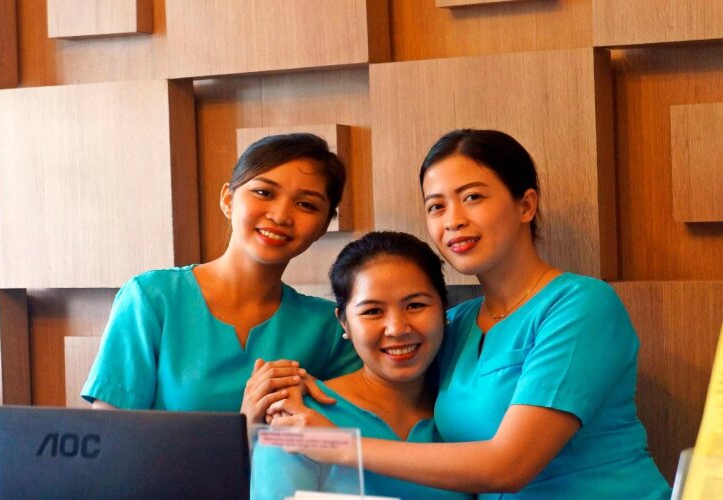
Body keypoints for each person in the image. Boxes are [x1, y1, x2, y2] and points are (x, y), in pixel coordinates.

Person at [270, 130, 672, 498]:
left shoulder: (580, 304)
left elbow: (509, 466)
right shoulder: (456, 323)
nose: (454, 220)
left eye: (473, 197)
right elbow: (382, 356)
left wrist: (339, 445)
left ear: (526, 205)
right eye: (436, 206)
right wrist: (276, 393)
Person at [81, 133, 361, 422]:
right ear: (228, 200)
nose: (280, 216)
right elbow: (111, 437)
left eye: (306, 205)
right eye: (264, 192)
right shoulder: (152, 298)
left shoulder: (331, 327)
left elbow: (353, 434)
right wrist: (245, 426)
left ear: (322, 227)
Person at [252, 231, 471, 500]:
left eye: (415, 305)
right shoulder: (297, 422)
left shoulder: (462, 417)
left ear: (443, 309)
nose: (397, 329)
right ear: (344, 323)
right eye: (372, 311)